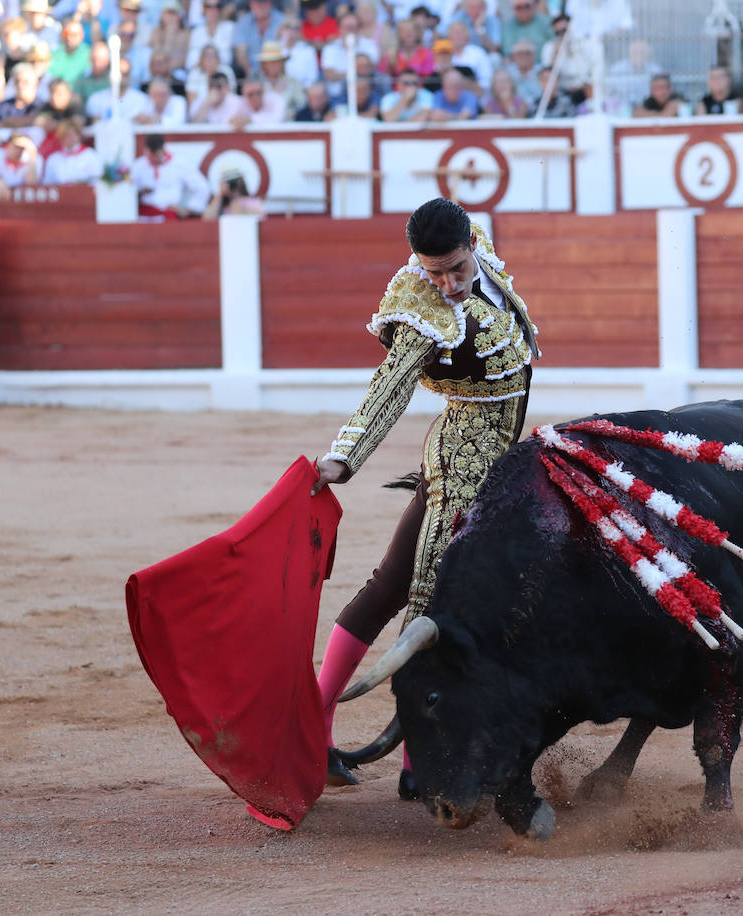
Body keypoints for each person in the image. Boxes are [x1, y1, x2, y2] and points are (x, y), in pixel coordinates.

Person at [304, 198, 540, 805]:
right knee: (415, 593)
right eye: (434, 272)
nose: (448, 284)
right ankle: (343, 733)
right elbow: (387, 390)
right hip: (461, 461)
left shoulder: (476, 243)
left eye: (456, 269)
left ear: (471, 246)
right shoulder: (419, 308)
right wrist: (343, 458)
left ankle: (407, 755)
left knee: (414, 590)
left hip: (498, 460)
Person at [132, 132, 210, 219]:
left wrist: (188, 209)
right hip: (144, 215)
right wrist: (140, 193)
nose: (154, 158)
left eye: (156, 154)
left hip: (169, 215)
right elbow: (129, 193)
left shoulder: (179, 164)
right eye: (151, 155)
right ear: (146, 151)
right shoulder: (138, 166)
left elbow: (202, 187)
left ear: (162, 150)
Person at [42, 118, 102, 183]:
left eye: (71, 135)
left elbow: (97, 179)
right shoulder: (54, 159)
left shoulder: (90, 155)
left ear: (78, 135)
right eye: (65, 135)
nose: (69, 138)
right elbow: (48, 183)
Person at [233, 0, 282, 78]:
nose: (261, 5)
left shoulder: (282, 21)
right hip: (250, 72)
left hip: (276, 72)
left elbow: (285, 49)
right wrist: (251, 73)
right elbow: (241, 53)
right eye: (257, 2)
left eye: (264, 2)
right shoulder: (243, 22)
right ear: (251, 3)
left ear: (271, 2)